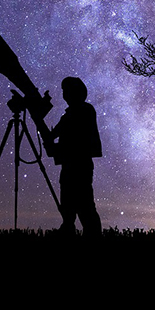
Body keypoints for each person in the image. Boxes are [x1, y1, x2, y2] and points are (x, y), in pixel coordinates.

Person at [49, 76, 103, 237]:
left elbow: (75, 139)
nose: (64, 95)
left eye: (66, 91)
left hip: (79, 165)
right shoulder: (71, 113)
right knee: (68, 203)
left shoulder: (83, 110)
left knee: (85, 205)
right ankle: (68, 228)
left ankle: (92, 235)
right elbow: (55, 134)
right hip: (70, 164)